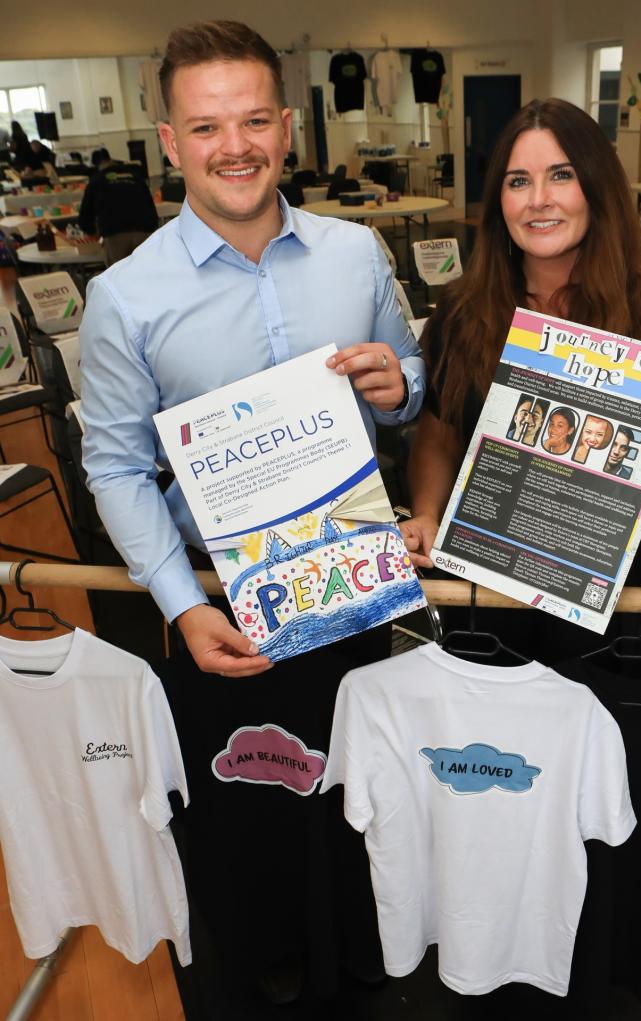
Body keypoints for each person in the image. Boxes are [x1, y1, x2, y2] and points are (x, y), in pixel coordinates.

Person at [80, 18, 423, 1004]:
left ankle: (355, 964)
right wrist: (181, 606)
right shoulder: (126, 297)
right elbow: (112, 466)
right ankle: (258, 972)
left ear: (285, 126)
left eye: (253, 119)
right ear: (170, 142)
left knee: (353, 793)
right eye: (206, 125)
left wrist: (393, 384)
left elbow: (411, 374)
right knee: (242, 804)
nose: (234, 145)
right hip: (222, 603)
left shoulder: (356, 256)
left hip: (353, 585)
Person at [402, 97, 641, 598]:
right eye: (518, 181)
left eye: (562, 175)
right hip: (483, 595)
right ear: (499, 200)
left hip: (601, 605)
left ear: (597, 188)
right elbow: (440, 434)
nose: (538, 199)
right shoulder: (463, 314)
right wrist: (426, 511)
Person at [78, 147, 159, 265]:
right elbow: (150, 205)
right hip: (144, 230)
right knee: (147, 273)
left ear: (96, 165)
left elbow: (85, 216)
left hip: (115, 233)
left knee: (118, 277)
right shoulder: (135, 176)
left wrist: (92, 231)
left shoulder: (96, 180)